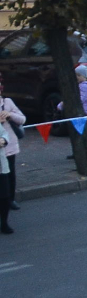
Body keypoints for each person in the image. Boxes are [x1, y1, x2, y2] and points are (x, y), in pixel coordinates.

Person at [0, 76, 24, 229]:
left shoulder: (7, 102)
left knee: (10, 174)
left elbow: (22, 119)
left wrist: (9, 115)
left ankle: (10, 200)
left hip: (8, 145)